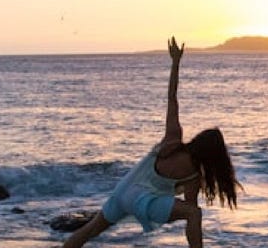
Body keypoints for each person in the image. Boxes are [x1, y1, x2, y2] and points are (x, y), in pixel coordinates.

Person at [61, 37, 242, 248]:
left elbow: (172, 98)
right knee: (194, 214)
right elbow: (191, 215)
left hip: (123, 191)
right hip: (141, 201)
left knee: (89, 230)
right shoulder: (194, 175)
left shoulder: (172, 142)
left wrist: (175, 62)